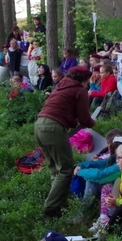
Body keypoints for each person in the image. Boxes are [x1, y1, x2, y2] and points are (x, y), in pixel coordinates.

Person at [35, 66, 96, 217]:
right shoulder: (79, 90)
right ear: (84, 79)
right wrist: (93, 123)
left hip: (39, 125)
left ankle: (57, 201)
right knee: (66, 169)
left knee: (54, 167)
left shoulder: (61, 85)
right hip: (54, 128)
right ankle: (51, 209)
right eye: (88, 81)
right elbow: (84, 118)